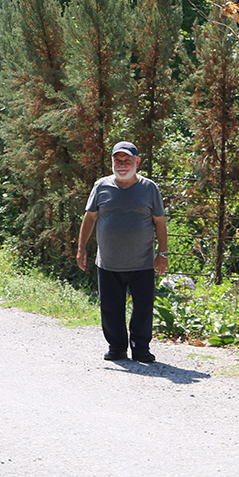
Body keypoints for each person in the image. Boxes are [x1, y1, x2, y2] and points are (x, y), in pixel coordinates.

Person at [75, 141, 169, 363]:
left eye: (127, 161)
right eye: (118, 161)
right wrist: (81, 249)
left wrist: (162, 254)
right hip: (109, 262)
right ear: (112, 162)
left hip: (143, 262)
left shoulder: (149, 188)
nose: (122, 165)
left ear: (137, 162)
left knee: (143, 308)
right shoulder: (101, 186)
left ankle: (140, 348)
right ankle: (116, 347)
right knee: (110, 308)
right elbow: (89, 218)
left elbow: (160, 222)